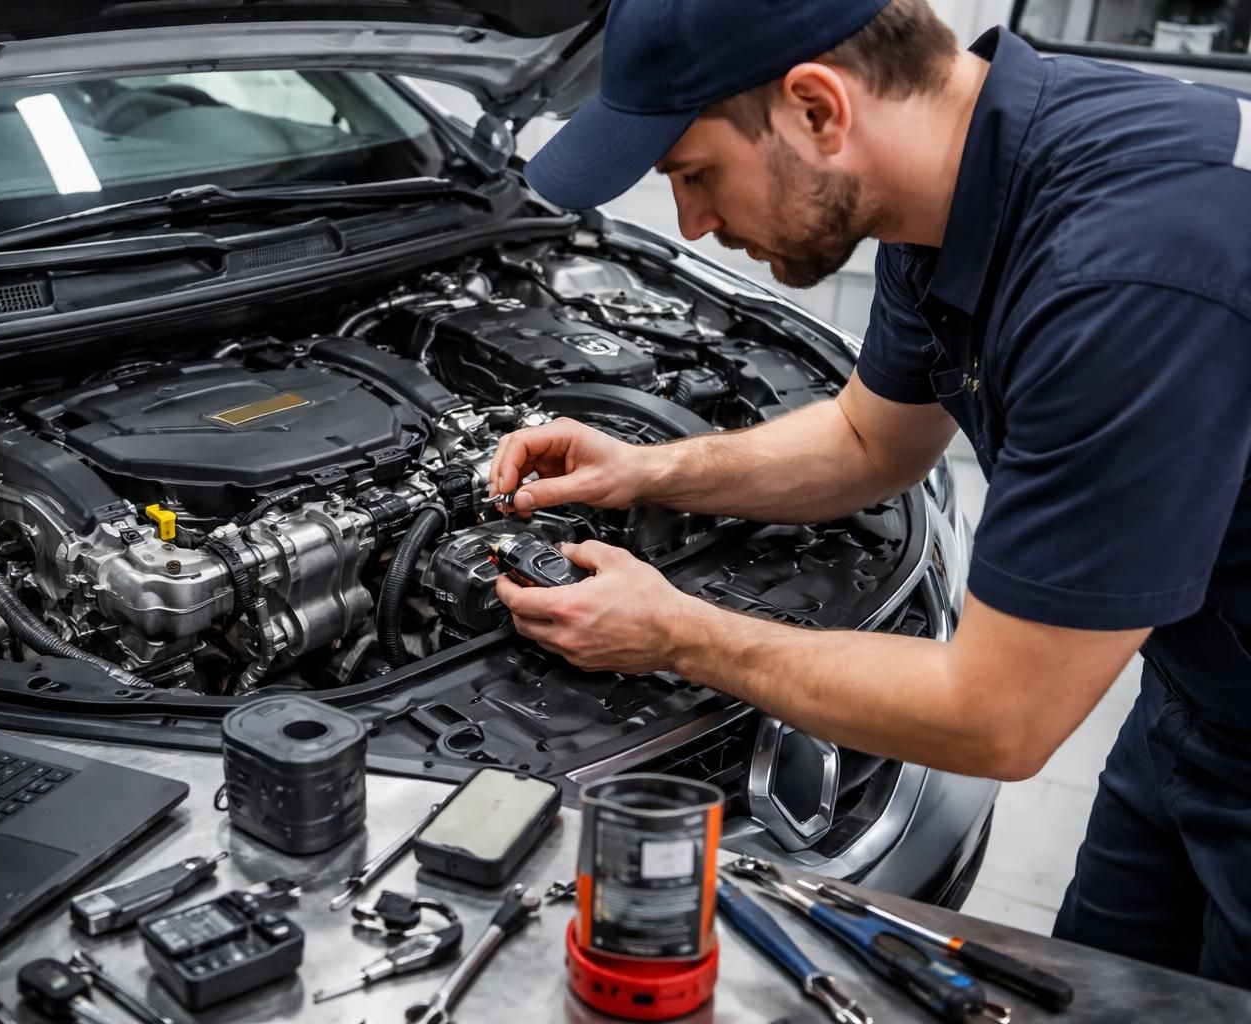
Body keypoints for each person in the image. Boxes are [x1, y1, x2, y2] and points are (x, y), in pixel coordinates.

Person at [492, 0, 1251, 986]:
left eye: (694, 173)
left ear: (817, 109)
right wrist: (649, 470)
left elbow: (998, 716)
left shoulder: (1123, 276)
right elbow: (867, 441)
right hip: (1195, 702)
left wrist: (675, 632)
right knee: (1104, 995)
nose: (692, 223)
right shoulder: (952, 186)